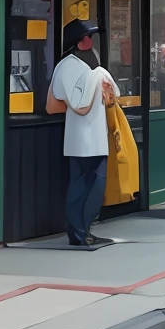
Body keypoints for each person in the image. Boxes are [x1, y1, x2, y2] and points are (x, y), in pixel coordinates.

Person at [47, 19, 119, 246]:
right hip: (82, 138)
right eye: (88, 36)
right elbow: (78, 104)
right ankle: (78, 233)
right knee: (84, 186)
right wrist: (97, 77)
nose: (92, 40)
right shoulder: (69, 65)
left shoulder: (89, 65)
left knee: (93, 186)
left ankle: (83, 230)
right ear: (80, 42)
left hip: (95, 137)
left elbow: (112, 95)